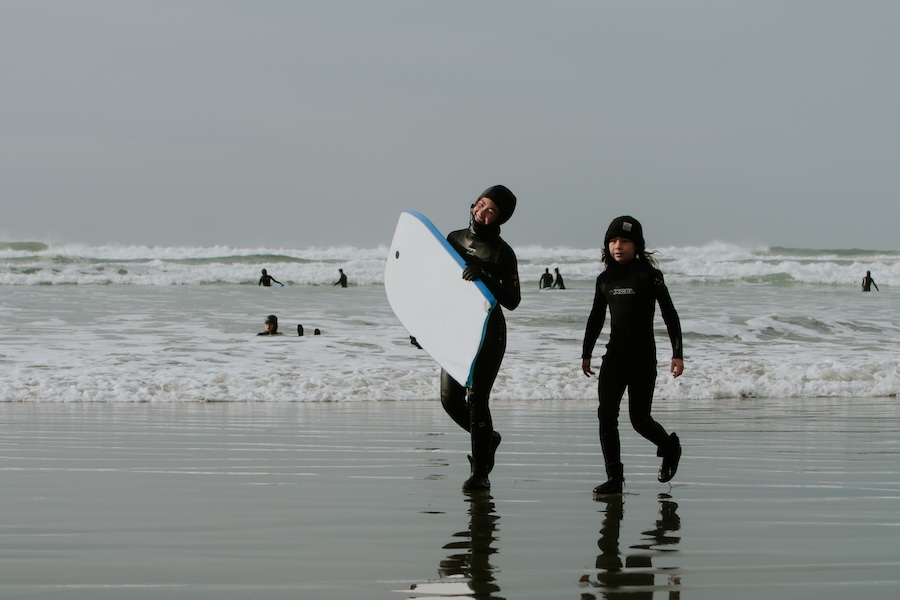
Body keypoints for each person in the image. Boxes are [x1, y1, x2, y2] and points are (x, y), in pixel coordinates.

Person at [581, 216, 684, 496]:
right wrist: (586, 352)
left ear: (636, 245)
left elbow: (669, 315)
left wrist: (677, 353)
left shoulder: (650, 277)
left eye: (624, 241)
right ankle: (614, 477)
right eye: (613, 241)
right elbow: (596, 317)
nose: (618, 246)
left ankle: (670, 446)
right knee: (606, 415)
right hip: (614, 357)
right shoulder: (605, 280)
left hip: (642, 358)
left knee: (639, 419)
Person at [442, 184, 521, 492]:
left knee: (476, 399)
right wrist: (423, 326)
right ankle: (489, 438)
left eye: (492, 212)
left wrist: (485, 275)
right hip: (455, 329)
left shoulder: (502, 253)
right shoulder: (453, 239)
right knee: (450, 401)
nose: (482, 213)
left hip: (488, 331)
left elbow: (513, 299)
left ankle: (480, 471)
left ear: (500, 220)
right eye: (482, 204)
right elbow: (437, 284)